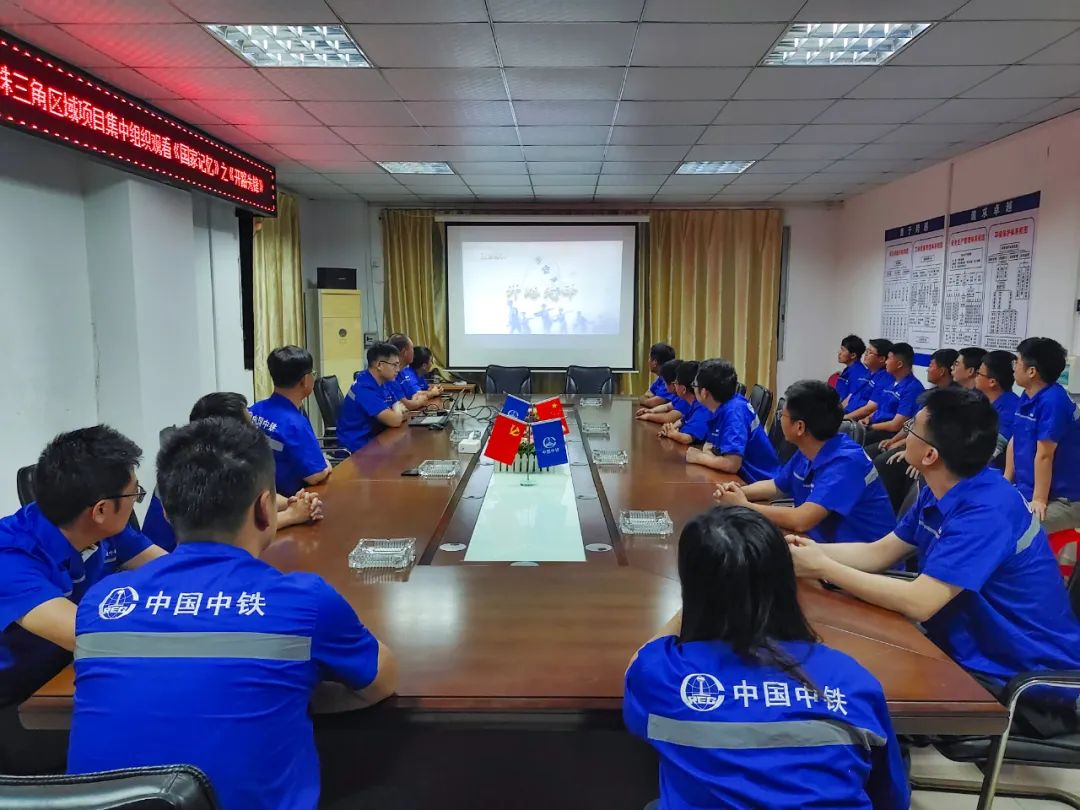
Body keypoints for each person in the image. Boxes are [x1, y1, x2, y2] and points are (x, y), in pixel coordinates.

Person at [67, 418, 397, 809]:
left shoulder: (101, 602)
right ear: (265, 508)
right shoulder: (304, 601)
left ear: (167, 513)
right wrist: (294, 696)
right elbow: (381, 681)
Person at [788, 387, 1080, 739]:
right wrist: (803, 553)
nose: (906, 431)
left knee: (850, 693)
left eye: (912, 427)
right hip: (964, 649)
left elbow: (920, 602)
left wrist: (822, 567)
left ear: (930, 454)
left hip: (1021, 679)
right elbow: (879, 552)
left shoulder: (987, 511)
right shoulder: (941, 487)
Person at [624, 506, 908, 809]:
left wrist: (699, 601)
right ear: (786, 579)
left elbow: (637, 666)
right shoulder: (852, 682)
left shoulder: (666, 676)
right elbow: (891, 799)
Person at [0, 427, 166, 708]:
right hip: (16, 699)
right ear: (101, 510)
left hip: (65, 670)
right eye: (134, 494)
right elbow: (96, 638)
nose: (135, 500)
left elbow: (176, 571)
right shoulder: (10, 559)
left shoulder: (103, 528)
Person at [715, 380, 894, 543]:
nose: (779, 418)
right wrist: (737, 492)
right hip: (819, 544)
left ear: (799, 427)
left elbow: (802, 520)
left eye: (782, 415)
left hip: (857, 561)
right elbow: (777, 486)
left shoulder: (847, 463)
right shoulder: (810, 447)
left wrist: (743, 505)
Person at [142, 392, 323, 553]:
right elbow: (236, 535)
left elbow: (254, 499)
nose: (254, 430)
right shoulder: (206, 474)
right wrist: (293, 515)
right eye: (249, 424)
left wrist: (294, 502)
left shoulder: (209, 461)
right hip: (173, 562)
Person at [1006, 337, 1080, 533]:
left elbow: (1045, 455)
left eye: (1017, 361)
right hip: (1027, 490)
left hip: (1063, 500)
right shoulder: (1028, 395)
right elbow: (1016, 439)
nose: (1013, 367)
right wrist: (1006, 479)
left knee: (1015, 530)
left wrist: (1039, 499)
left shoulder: (1053, 402)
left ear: (1031, 371)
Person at [248, 346, 331, 497]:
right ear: (305, 380)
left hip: (258, 495)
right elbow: (315, 475)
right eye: (312, 374)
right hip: (290, 499)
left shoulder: (253, 410)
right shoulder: (294, 424)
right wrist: (327, 465)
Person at [685, 359, 779, 483]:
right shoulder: (719, 405)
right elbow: (709, 446)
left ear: (704, 393)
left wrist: (699, 458)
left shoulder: (734, 413)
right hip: (740, 478)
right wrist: (709, 456)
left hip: (758, 482)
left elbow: (731, 464)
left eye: (695, 385)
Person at [337, 342, 408, 454]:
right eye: (394, 365)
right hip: (358, 448)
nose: (398, 369)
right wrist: (397, 411)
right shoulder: (364, 387)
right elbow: (395, 420)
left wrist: (396, 411)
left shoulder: (383, 382)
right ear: (380, 365)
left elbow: (402, 410)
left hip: (375, 440)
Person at [861, 342, 924, 446]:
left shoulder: (913, 388)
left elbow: (896, 425)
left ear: (899, 364)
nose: (886, 362)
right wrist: (868, 418)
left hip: (888, 433)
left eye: (889, 358)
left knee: (855, 440)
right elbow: (881, 408)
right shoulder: (890, 382)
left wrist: (870, 427)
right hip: (874, 426)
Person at [976, 349, 1020, 460]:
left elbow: (992, 451)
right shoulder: (981, 400)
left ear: (992, 382)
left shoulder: (1011, 408)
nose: (975, 377)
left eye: (979, 373)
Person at [658, 362, 714, 445]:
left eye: (676, 382)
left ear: (683, 389)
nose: (674, 385)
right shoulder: (693, 404)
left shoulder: (704, 408)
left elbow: (687, 438)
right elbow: (682, 421)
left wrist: (671, 433)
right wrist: (670, 428)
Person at [387, 333, 442, 411]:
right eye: (412, 348)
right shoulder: (391, 375)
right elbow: (408, 404)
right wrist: (421, 400)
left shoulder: (402, 371)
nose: (414, 353)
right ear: (404, 352)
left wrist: (419, 398)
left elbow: (415, 395)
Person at [844, 339, 893, 419]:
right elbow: (850, 397)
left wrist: (845, 418)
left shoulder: (886, 378)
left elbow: (870, 409)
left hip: (857, 420)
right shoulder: (866, 373)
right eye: (866, 351)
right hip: (846, 414)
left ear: (882, 359)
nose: (865, 354)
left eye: (870, 352)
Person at [635, 359, 681, 424]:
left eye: (665, 383)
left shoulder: (686, 400)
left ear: (673, 384)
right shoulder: (678, 397)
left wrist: (648, 416)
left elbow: (667, 418)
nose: (664, 386)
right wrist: (651, 411)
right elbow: (667, 406)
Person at [639, 342, 676, 407]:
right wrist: (646, 399)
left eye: (649, 358)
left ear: (654, 363)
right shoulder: (660, 378)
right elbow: (646, 395)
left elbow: (652, 403)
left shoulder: (671, 381)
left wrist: (647, 400)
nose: (648, 361)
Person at [834, 334, 869, 403]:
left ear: (853, 355)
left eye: (843, 350)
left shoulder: (858, 372)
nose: (839, 352)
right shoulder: (850, 369)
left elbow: (850, 399)